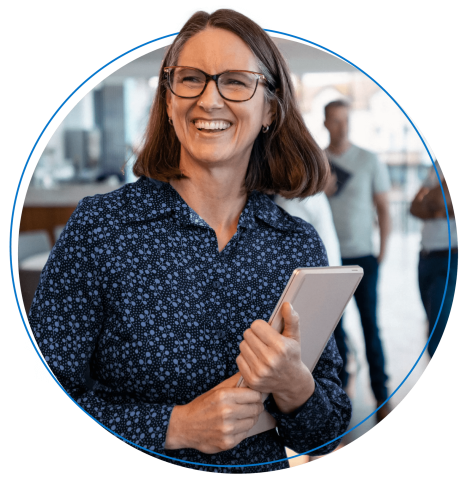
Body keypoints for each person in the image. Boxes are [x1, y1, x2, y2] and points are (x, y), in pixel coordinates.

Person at [27, 9, 351, 473]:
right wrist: (174, 426)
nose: (209, 99)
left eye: (236, 82)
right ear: (168, 99)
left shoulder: (296, 244)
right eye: (191, 79)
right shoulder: (101, 228)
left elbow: (327, 434)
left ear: (270, 110)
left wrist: (295, 385)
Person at [323, 99, 391, 422]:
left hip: (363, 256)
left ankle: (381, 393)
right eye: (335, 121)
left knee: (369, 326)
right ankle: (340, 394)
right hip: (328, 261)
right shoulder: (317, 162)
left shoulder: (368, 160)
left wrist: (382, 252)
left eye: (346, 120)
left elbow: (384, 208)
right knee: (333, 332)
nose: (342, 126)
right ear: (325, 123)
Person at [410, 160, 458, 358]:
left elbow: (439, 201)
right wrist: (437, 208)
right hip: (426, 256)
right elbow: (414, 207)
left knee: (436, 336)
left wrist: (432, 201)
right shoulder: (435, 167)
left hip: (450, 258)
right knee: (433, 319)